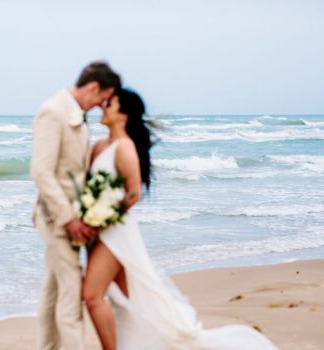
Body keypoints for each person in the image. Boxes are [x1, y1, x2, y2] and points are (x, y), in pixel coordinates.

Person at [83, 88, 278, 350]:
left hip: (115, 230)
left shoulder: (125, 148)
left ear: (124, 115)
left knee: (92, 295)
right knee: (124, 301)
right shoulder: (99, 146)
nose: (103, 108)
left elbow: (132, 195)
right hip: (99, 230)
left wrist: (100, 219)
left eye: (110, 104)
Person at [30, 61, 121, 350]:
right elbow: (41, 171)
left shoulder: (74, 115)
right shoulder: (53, 111)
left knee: (53, 293)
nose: (100, 106)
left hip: (71, 219)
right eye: (102, 99)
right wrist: (70, 219)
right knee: (71, 300)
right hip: (57, 220)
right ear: (93, 87)